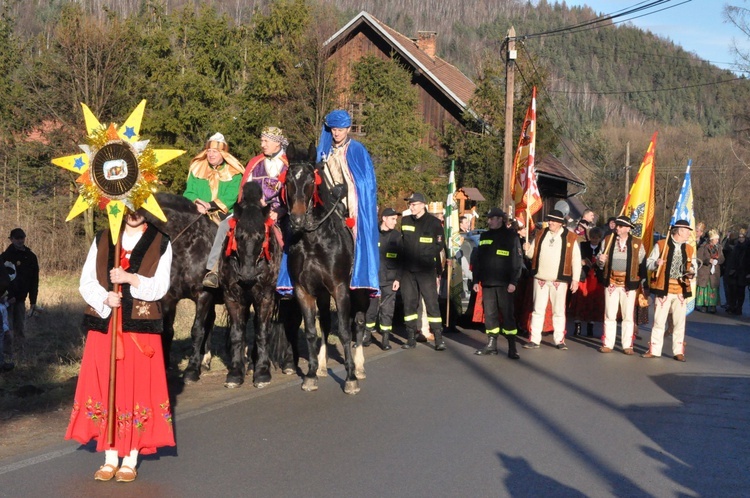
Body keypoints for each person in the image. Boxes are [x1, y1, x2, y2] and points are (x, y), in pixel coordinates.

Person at [65, 210, 174, 482]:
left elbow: (161, 286)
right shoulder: (104, 238)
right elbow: (87, 280)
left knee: (136, 387)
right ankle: (110, 456)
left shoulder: (161, 241)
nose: (134, 214)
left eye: (139, 207)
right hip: (106, 325)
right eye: (129, 207)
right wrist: (105, 298)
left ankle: (131, 456)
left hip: (139, 329)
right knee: (107, 387)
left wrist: (131, 279)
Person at [202, 128, 289, 288]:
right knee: (223, 226)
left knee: (288, 237)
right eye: (261, 141)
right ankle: (214, 270)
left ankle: (287, 279)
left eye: (266, 141)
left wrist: (280, 212)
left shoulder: (288, 164)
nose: (262, 145)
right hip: (252, 211)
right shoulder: (255, 162)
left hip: (278, 212)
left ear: (277, 143)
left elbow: (292, 195)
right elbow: (244, 190)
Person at [316, 110, 379, 294]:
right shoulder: (324, 150)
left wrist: (347, 191)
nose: (336, 133)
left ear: (348, 129)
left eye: (340, 130)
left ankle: (356, 270)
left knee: (357, 228)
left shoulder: (356, 149)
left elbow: (364, 182)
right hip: (327, 197)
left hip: (349, 198)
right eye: (334, 129)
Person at [182, 132, 245, 288]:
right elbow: (189, 191)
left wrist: (209, 205)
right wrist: (197, 203)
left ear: (223, 153)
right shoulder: (197, 167)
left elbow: (231, 196)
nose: (210, 155)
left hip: (224, 213)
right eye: (209, 151)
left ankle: (214, 270)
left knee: (223, 230)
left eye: (215, 152)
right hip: (197, 210)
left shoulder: (234, 172)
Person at [523, 209, 581, 350]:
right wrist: (527, 247)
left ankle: (559, 340)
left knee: (559, 311)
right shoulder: (540, 234)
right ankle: (535, 339)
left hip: (559, 280)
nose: (550, 222)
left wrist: (575, 279)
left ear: (560, 223)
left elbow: (576, 260)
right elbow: (531, 255)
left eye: (553, 220)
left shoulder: (571, 237)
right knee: (538, 310)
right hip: (541, 278)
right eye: (549, 220)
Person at [643, 219, 697, 361]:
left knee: (680, 322)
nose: (688, 235)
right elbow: (648, 263)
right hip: (663, 289)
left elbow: (694, 266)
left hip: (680, 290)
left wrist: (692, 272)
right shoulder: (661, 245)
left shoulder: (689, 249)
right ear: (679, 231)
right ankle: (654, 349)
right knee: (659, 321)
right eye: (687, 232)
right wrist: (656, 262)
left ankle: (678, 351)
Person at [473, 208, 523, 359]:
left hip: (505, 284)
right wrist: (476, 280)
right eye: (488, 218)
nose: (488, 221)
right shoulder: (484, 236)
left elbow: (517, 260)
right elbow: (478, 260)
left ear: (500, 219)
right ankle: (491, 345)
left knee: (508, 315)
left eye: (491, 218)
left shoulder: (511, 237)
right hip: (488, 282)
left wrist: (514, 281)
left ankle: (512, 347)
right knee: (490, 315)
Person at [400, 192, 447, 350]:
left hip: (425, 269)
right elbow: (401, 243)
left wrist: (425, 255)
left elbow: (439, 245)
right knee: (409, 304)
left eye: (413, 204)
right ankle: (411, 337)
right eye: (410, 204)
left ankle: (438, 338)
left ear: (422, 205)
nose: (410, 207)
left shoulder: (434, 223)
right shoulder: (405, 220)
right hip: (407, 271)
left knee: (431, 303)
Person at [596, 215, 646, 354]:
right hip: (611, 281)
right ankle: (608, 343)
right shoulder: (608, 240)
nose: (617, 228)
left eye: (620, 226)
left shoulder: (637, 243)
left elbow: (642, 264)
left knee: (628, 315)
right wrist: (601, 260)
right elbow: (600, 263)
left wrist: (642, 283)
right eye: (617, 225)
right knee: (610, 314)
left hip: (629, 283)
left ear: (628, 228)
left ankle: (627, 345)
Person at [364, 207, 403, 350]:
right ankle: (367, 336)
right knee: (370, 308)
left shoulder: (397, 237)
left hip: (390, 280)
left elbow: (401, 260)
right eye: (392, 219)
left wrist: (398, 279)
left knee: (387, 310)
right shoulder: (373, 234)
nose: (395, 222)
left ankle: (385, 339)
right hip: (373, 279)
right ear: (384, 219)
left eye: (396, 219)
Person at [1, 228, 40, 354]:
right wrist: (7, 296)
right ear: (11, 239)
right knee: (7, 328)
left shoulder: (31, 257)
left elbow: (34, 280)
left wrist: (33, 300)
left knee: (20, 328)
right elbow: (3, 280)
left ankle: (20, 353)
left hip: (20, 299)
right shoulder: (5, 257)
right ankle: (7, 354)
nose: (20, 240)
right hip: (6, 300)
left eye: (22, 238)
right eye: (17, 238)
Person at [570, 226, 604, 338]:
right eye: (592, 238)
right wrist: (582, 262)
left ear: (600, 238)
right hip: (584, 277)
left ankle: (591, 326)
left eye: (597, 238)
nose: (594, 240)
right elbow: (576, 258)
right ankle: (578, 326)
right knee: (580, 300)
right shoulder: (583, 245)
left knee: (593, 301)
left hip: (595, 278)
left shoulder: (602, 247)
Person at [696, 229, 724, 313]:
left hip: (714, 272)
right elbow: (699, 258)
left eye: (717, 239)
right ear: (711, 239)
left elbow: (722, 258)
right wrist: (708, 260)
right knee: (705, 287)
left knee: (713, 288)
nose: (717, 240)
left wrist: (718, 261)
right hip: (705, 271)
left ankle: (713, 305)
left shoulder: (719, 247)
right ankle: (704, 305)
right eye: (716, 239)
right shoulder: (703, 247)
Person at [724, 228, 748, 315]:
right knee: (733, 290)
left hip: (743, 272)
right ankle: (732, 306)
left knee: (741, 291)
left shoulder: (747, 247)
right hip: (734, 272)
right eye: (740, 237)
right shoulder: (736, 247)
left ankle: (739, 307)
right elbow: (732, 259)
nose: (741, 239)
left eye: (742, 237)